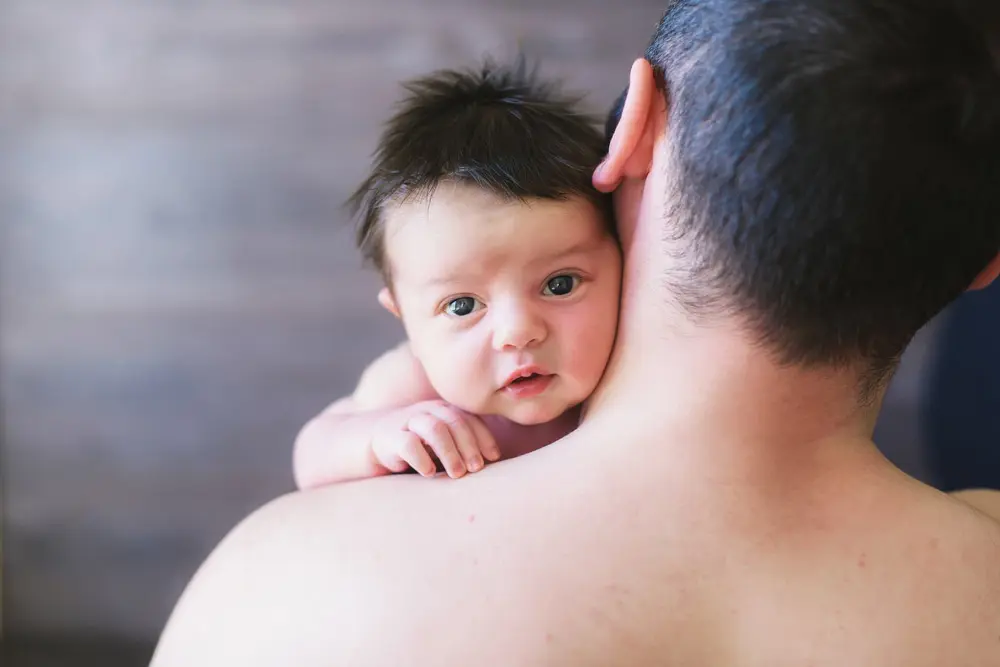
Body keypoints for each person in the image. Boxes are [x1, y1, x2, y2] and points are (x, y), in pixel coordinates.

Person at [151, 1, 1000, 665]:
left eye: (556, 284)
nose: (516, 330)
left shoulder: (280, 588)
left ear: (632, 132)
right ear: (985, 264)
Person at [293, 61, 621, 489]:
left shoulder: (631, 366)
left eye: (560, 284)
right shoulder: (413, 386)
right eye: (462, 305)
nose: (518, 332)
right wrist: (377, 439)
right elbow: (311, 456)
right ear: (405, 317)